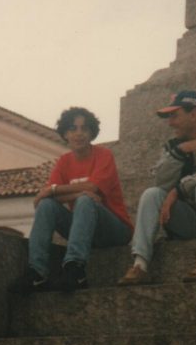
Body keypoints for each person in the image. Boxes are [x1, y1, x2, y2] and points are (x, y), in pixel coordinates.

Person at [117, 89, 196, 285]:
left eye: (174, 116)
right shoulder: (172, 146)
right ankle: (140, 264)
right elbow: (160, 181)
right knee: (151, 194)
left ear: (193, 114)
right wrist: (181, 151)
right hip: (186, 220)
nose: (170, 122)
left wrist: (178, 190)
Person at [26, 107, 133, 291]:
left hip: (114, 230)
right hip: (83, 228)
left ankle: (75, 269)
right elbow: (49, 198)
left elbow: (92, 188)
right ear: (65, 134)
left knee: (85, 201)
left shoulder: (103, 155)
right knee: (47, 205)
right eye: (73, 128)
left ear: (91, 133)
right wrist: (74, 193)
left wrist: (53, 189)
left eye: (84, 128)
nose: (79, 133)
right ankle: (37, 272)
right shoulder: (64, 161)